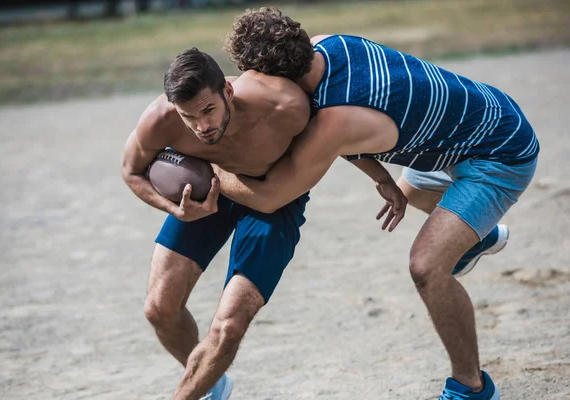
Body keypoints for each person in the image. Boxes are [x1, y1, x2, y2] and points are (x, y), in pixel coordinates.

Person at [217, 7, 540, 400]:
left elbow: (272, 197)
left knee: (427, 266)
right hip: (471, 122)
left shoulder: (335, 118)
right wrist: (380, 176)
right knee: (411, 194)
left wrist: (209, 170)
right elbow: (338, 119)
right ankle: (477, 240)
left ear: (274, 78)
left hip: (499, 153)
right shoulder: (327, 45)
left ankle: (471, 387)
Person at [121, 47, 316, 399]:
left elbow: (336, 136)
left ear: (228, 90)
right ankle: (212, 383)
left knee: (227, 327)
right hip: (207, 194)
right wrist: (173, 207)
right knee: (159, 309)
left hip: (272, 200)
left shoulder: (282, 106)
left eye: (208, 110)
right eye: (189, 117)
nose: (202, 126)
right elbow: (131, 171)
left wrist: (379, 176)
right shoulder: (159, 119)